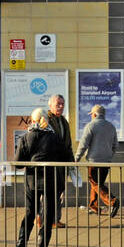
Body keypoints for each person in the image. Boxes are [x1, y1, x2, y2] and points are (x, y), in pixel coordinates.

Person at [15, 107, 73, 247]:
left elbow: (18, 164)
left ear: (33, 120)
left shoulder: (26, 137)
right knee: (47, 217)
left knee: (30, 213)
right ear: (46, 121)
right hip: (51, 181)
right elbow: (67, 158)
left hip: (32, 181)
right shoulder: (54, 138)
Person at [75, 104, 119, 216]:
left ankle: (112, 201)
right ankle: (93, 206)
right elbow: (116, 146)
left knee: (95, 183)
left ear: (94, 114)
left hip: (94, 161)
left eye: (91, 114)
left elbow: (83, 144)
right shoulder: (111, 126)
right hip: (106, 161)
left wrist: (76, 159)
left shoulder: (91, 126)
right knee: (97, 184)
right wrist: (109, 155)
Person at [44, 95, 73, 228]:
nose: (61, 106)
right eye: (58, 104)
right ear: (50, 105)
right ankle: (43, 218)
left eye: (62, 104)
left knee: (59, 192)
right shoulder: (46, 120)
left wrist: (71, 163)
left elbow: (68, 144)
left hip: (62, 162)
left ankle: (55, 219)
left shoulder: (64, 121)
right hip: (50, 163)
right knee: (47, 192)